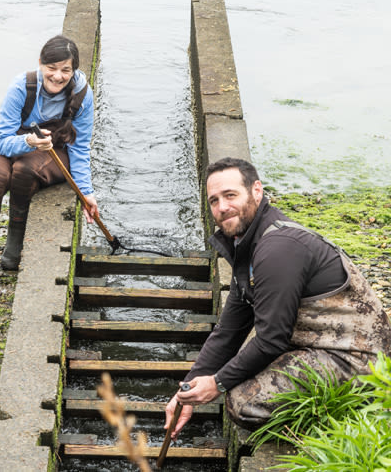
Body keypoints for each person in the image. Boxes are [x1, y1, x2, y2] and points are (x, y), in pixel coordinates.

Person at [165, 157, 391, 437]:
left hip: (359, 361)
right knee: (240, 373)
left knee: (243, 401)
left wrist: (217, 383)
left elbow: (272, 339)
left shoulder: (277, 248)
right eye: (214, 201)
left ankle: (346, 419)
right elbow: (228, 332)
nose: (222, 207)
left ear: (256, 191)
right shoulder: (247, 245)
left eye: (230, 195)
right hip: (319, 344)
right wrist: (186, 390)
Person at [0, 34, 99, 274]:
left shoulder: (82, 95)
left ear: (73, 70)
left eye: (65, 70)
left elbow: (79, 148)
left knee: (24, 170)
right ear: (40, 62)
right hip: (19, 143)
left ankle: (15, 246)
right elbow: (3, 141)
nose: (58, 76)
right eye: (52, 68)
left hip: (54, 152)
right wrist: (29, 141)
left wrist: (86, 192)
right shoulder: (21, 86)